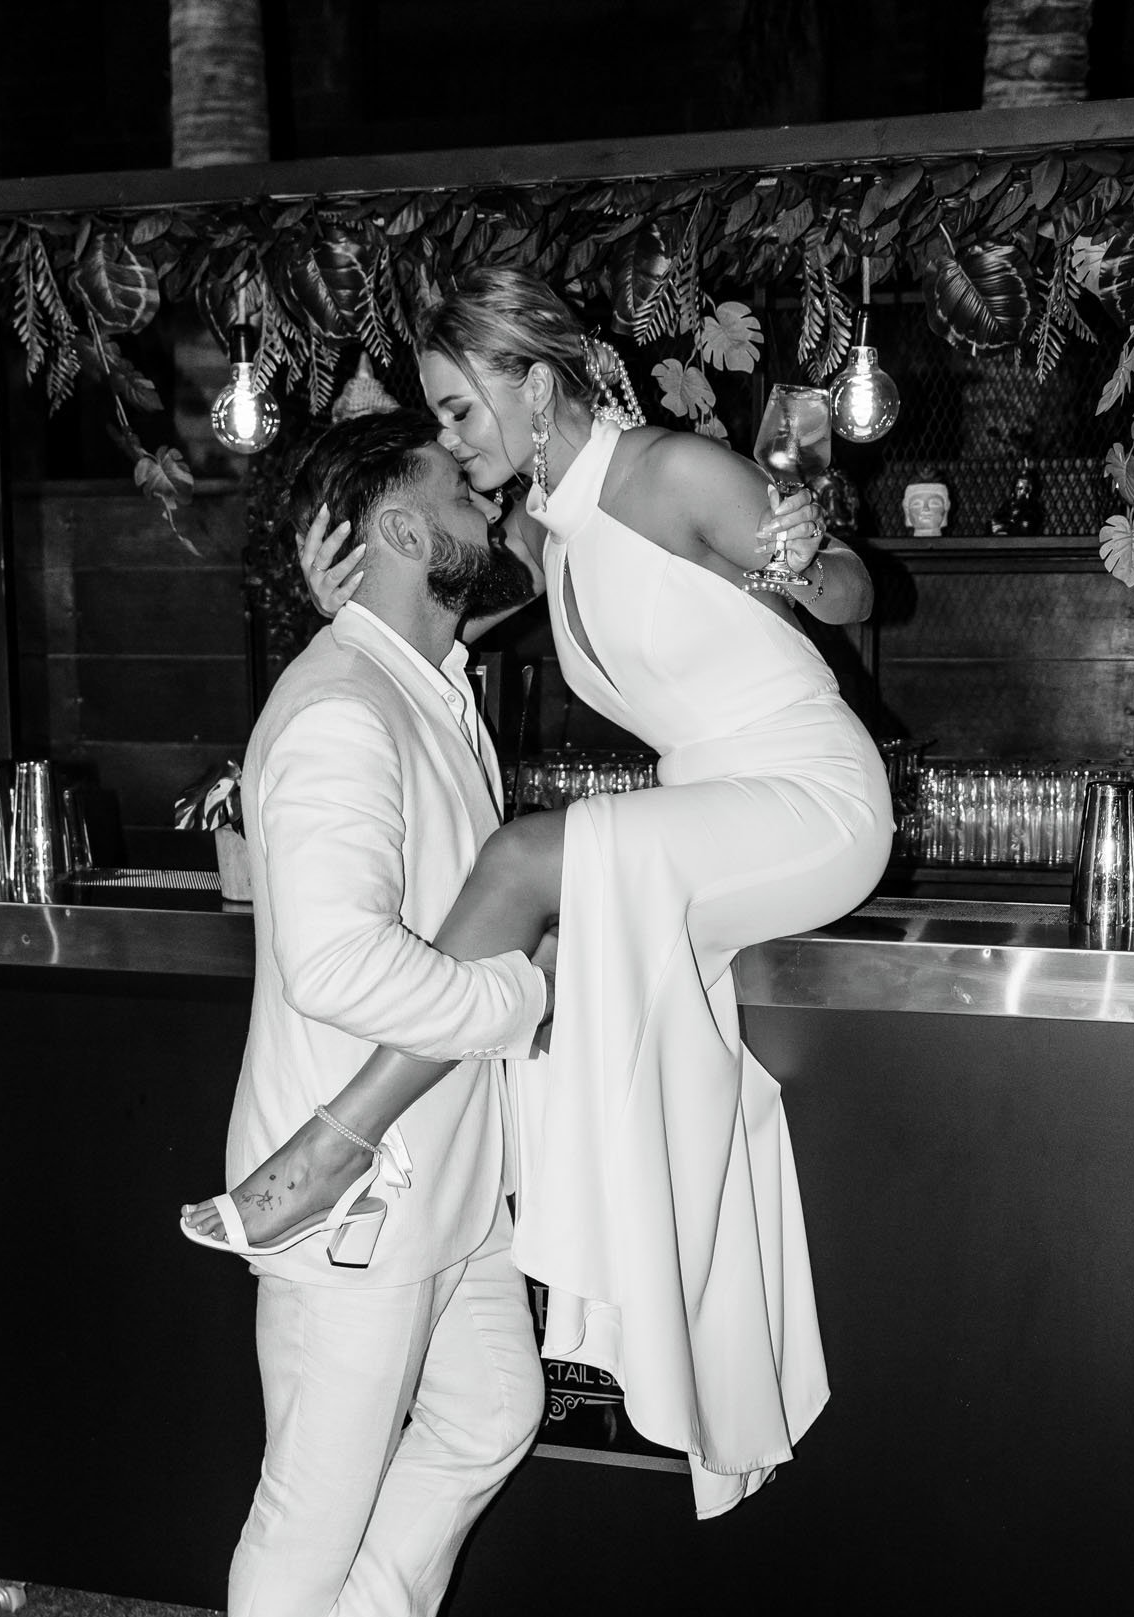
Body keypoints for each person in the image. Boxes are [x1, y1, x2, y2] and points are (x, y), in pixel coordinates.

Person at [185, 265, 893, 1524]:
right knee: (550, 943)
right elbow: (427, 611)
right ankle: (386, 1161)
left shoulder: (672, 473)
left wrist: (811, 556)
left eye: (458, 411)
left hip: (807, 792)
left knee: (519, 860)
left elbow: (855, 597)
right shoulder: (545, 533)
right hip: (712, 808)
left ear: (539, 386)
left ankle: (339, 1141)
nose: (449, 439)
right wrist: (332, 600)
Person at [181, 407, 557, 1617]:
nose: (489, 496)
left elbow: (521, 563)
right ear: (403, 531)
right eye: (457, 482)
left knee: (491, 1410)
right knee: (316, 1497)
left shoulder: (424, 676)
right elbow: (337, 960)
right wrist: (511, 1001)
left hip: (440, 1186)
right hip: (357, 1197)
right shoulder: (343, 703)